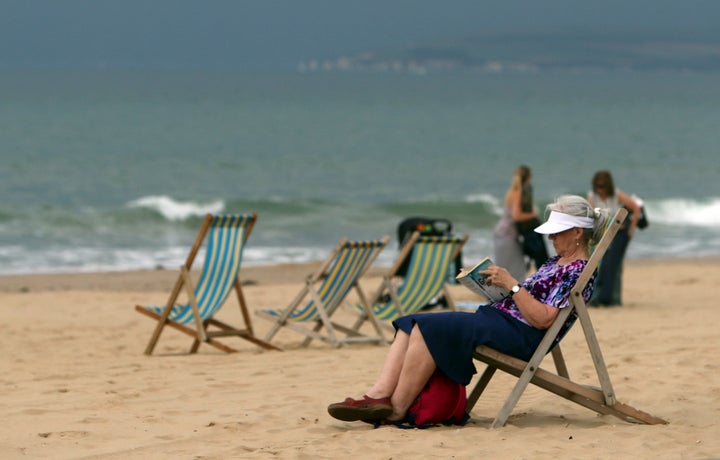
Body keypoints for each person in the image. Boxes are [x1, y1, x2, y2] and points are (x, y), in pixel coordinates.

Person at [328, 195, 610, 425]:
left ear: (577, 233)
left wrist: (512, 285)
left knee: (430, 328)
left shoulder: (577, 271)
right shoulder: (555, 262)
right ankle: (378, 396)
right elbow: (528, 300)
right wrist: (494, 287)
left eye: (557, 233)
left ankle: (398, 409)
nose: (551, 239)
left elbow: (543, 319)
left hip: (521, 335)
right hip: (502, 321)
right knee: (410, 322)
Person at [587, 170, 641, 307]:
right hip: (601, 234)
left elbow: (635, 208)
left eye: (602, 186)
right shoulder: (592, 196)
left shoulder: (616, 194)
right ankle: (597, 297)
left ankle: (613, 299)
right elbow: (589, 217)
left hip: (618, 234)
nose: (600, 189)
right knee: (600, 266)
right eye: (598, 186)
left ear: (608, 185)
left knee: (614, 266)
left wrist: (631, 230)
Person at [493, 167, 531, 281]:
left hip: (502, 232)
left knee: (506, 266)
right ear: (528, 178)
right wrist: (533, 214)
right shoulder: (518, 192)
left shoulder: (511, 191)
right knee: (516, 269)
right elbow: (516, 216)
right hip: (507, 235)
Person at [514, 165, 550, 271]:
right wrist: (533, 214)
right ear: (529, 176)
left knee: (538, 256)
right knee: (541, 257)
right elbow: (517, 215)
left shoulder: (523, 189)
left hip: (527, 228)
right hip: (530, 227)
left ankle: (528, 261)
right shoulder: (524, 190)